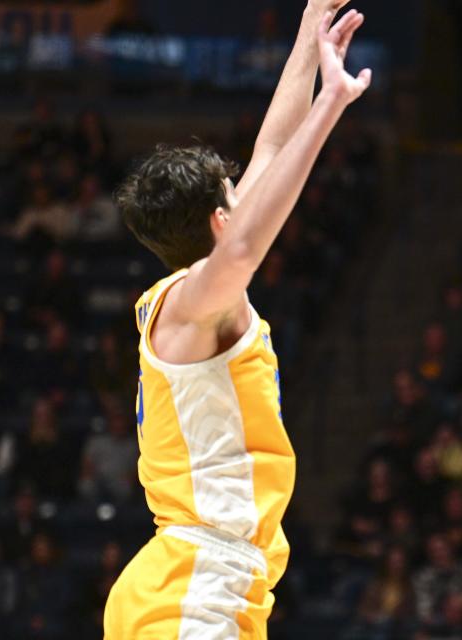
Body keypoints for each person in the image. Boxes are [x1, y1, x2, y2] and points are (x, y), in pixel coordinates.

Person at [102, 2, 372, 638]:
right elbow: (247, 249)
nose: (246, 188)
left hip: (208, 577)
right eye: (233, 190)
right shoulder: (194, 305)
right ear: (222, 221)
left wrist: (311, 30)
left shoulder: (190, 294)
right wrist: (331, 102)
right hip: (194, 585)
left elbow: (273, 145)